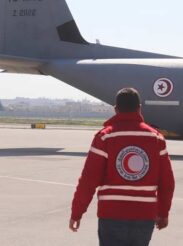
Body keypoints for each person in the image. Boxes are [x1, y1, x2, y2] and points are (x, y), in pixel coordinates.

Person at [69, 87, 175, 246]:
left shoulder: (105, 136)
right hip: (144, 216)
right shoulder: (156, 138)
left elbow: (88, 180)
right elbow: (167, 182)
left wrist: (77, 213)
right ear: (139, 108)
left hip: (111, 215)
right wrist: (163, 212)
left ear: (116, 109)